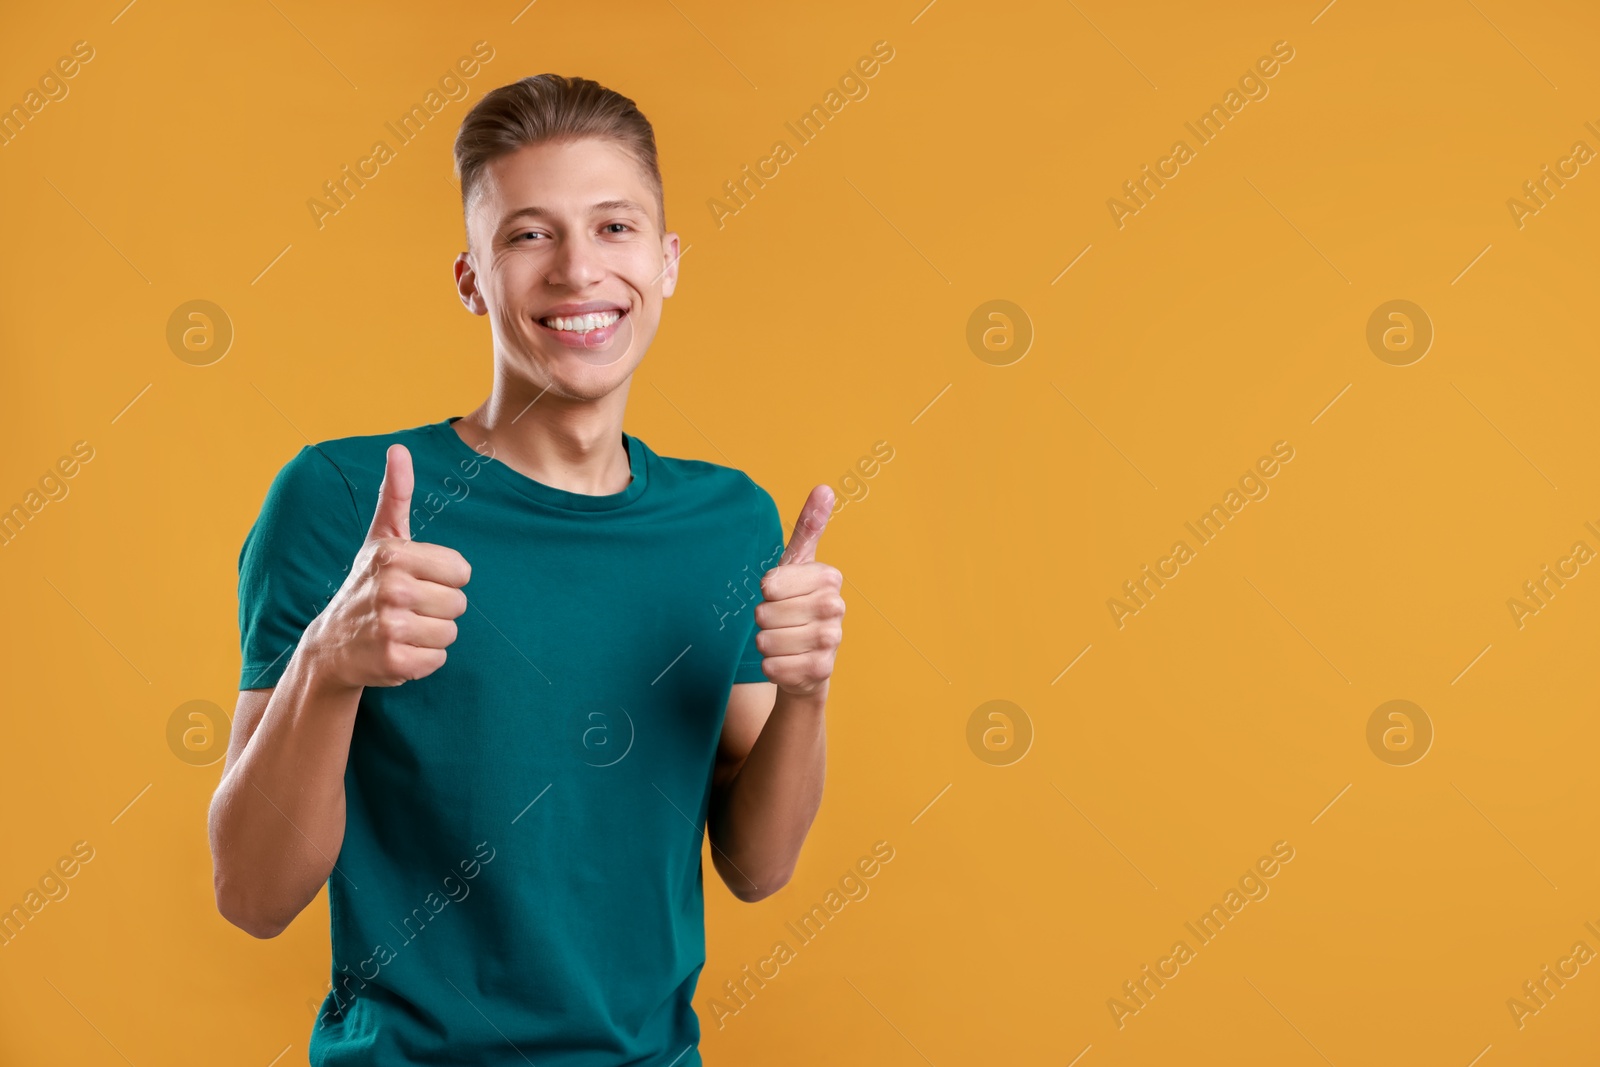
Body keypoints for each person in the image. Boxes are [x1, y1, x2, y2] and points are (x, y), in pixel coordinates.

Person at [207, 73, 845, 1067]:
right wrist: (329, 663)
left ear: (667, 262)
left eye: (615, 227)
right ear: (471, 277)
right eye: (528, 234)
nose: (578, 270)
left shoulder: (728, 521)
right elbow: (250, 893)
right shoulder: (343, 499)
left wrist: (806, 694)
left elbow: (756, 866)